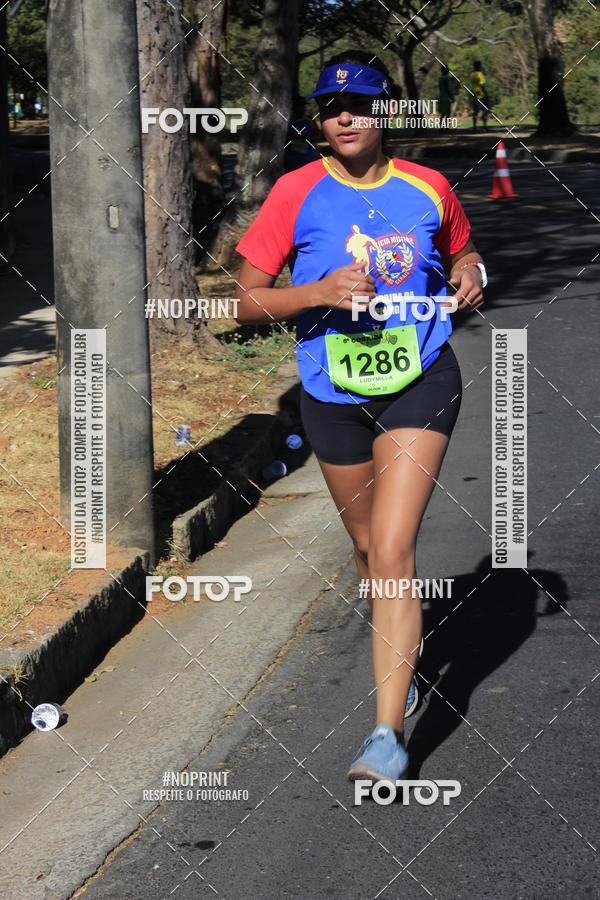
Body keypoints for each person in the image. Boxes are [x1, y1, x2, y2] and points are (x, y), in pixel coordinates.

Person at [233, 50, 486, 784]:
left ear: (386, 113)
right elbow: (241, 302)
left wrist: (470, 274)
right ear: (319, 118)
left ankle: (386, 735)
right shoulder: (294, 192)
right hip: (333, 393)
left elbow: (463, 248)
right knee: (369, 548)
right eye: (331, 108)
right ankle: (395, 642)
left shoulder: (427, 186)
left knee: (395, 547)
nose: (345, 117)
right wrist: (316, 292)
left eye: (362, 105)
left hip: (421, 379)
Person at [283, 95, 320, 172]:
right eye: (298, 106)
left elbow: (320, 137)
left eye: (303, 106)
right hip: (290, 161)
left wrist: (308, 138)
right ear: (293, 107)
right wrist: (290, 137)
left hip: (307, 159)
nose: (301, 109)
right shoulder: (287, 121)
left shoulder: (310, 121)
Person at [471, 60, 491, 131]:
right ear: (478, 66)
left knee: (475, 111)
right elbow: (482, 85)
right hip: (482, 95)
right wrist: (486, 94)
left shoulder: (472, 74)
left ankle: (474, 126)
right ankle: (485, 126)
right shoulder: (480, 74)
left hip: (474, 95)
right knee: (485, 110)